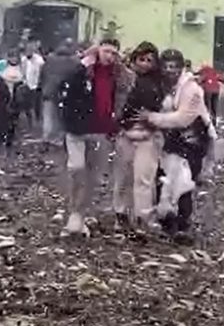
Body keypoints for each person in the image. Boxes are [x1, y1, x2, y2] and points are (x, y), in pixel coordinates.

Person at [58, 38, 135, 236]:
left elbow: (124, 95)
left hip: (101, 130)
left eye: (113, 53)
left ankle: (82, 213)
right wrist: (84, 62)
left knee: (93, 176)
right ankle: (75, 212)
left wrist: (116, 123)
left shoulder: (118, 75)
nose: (109, 56)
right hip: (77, 129)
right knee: (76, 169)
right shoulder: (83, 71)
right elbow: (65, 85)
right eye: (106, 51)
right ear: (97, 51)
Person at [138, 48, 215, 239]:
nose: (170, 70)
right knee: (164, 178)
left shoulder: (192, 88)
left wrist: (152, 118)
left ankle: (182, 226)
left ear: (181, 68)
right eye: (166, 66)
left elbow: (183, 118)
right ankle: (167, 221)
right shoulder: (162, 85)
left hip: (194, 138)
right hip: (171, 139)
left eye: (174, 66)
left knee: (185, 181)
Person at [113, 41, 164, 229]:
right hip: (125, 133)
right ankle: (120, 213)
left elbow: (162, 110)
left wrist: (150, 126)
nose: (145, 64)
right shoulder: (124, 79)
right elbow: (116, 104)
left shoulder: (159, 83)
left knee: (144, 178)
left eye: (149, 60)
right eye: (141, 59)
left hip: (148, 136)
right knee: (123, 176)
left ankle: (143, 217)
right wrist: (122, 127)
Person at [40, 40, 80, 147]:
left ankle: (47, 137)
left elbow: (42, 74)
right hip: (64, 93)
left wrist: (42, 86)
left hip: (48, 90)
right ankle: (58, 138)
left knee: (48, 115)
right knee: (60, 116)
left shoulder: (50, 59)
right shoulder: (74, 61)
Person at [21, 43, 45, 129]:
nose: (28, 53)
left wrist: (40, 82)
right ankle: (29, 122)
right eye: (26, 51)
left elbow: (42, 72)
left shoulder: (39, 60)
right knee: (27, 105)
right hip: (26, 84)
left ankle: (38, 121)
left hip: (36, 85)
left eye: (29, 51)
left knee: (37, 105)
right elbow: (22, 71)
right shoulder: (23, 60)